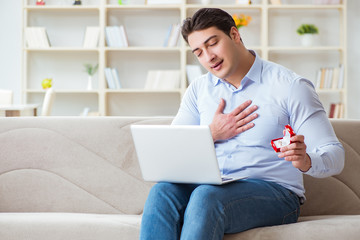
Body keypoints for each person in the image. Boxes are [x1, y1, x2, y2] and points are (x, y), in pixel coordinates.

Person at [140, 8, 345, 240]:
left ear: (235, 35)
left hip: (275, 193)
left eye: (213, 43)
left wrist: (306, 160)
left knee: (206, 196)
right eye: (198, 52)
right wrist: (211, 133)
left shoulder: (290, 86)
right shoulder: (199, 90)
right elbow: (173, 149)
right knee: (162, 192)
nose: (208, 57)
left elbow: (335, 155)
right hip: (213, 186)